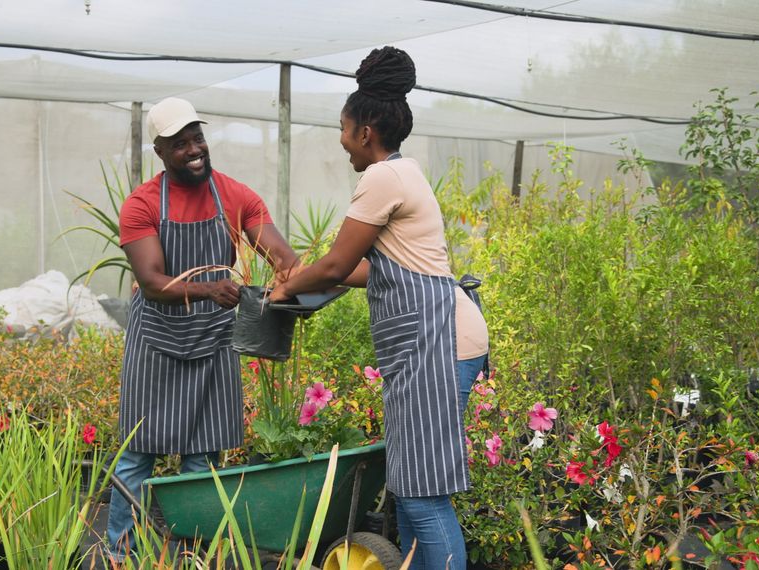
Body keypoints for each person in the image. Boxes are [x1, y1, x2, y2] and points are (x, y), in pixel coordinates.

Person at [271, 46, 486, 570]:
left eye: (344, 130)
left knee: (422, 493)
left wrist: (286, 290)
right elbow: (370, 270)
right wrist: (302, 278)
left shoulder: (383, 177)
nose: (343, 143)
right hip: (433, 340)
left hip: (439, 343)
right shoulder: (402, 173)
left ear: (365, 132)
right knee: (412, 486)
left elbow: (338, 264)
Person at [107, 97, 298, 561]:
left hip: (214, 341)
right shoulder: (142, 204)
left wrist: (286, 284)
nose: (194, 149)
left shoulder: (236, 196)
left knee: (206, 456)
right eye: (180, 143)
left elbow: (283, 259)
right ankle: (121, 554)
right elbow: (152, 284)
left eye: (197, 138)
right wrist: (212, 288)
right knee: (138, 455)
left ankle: (196, 554)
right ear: (160, 151)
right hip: (156, 340)